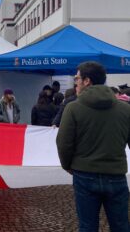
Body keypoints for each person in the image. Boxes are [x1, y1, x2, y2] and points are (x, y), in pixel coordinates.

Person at [56, 61, 130, 231]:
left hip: (84, 175)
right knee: (121, 226)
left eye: (77, 78)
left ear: (87, 81)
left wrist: (68, 166)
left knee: (87, 226)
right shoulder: (125, 109)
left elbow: (64, 143)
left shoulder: (73, 108)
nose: (76, 82)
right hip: (116, 175)